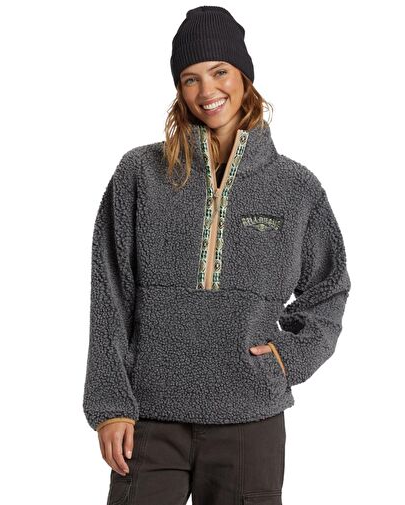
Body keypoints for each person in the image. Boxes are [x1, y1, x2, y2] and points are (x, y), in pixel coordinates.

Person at [82, 6, 351, 505]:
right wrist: (110, 403)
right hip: (149, 415)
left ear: (245, 77)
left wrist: (289, 357)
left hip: (250, 417)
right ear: (179, 89)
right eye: (191, 78)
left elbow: (329, 288)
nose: (207, 90)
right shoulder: (139, 173)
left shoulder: (296, 187)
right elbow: (110, 291)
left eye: (220, 71)